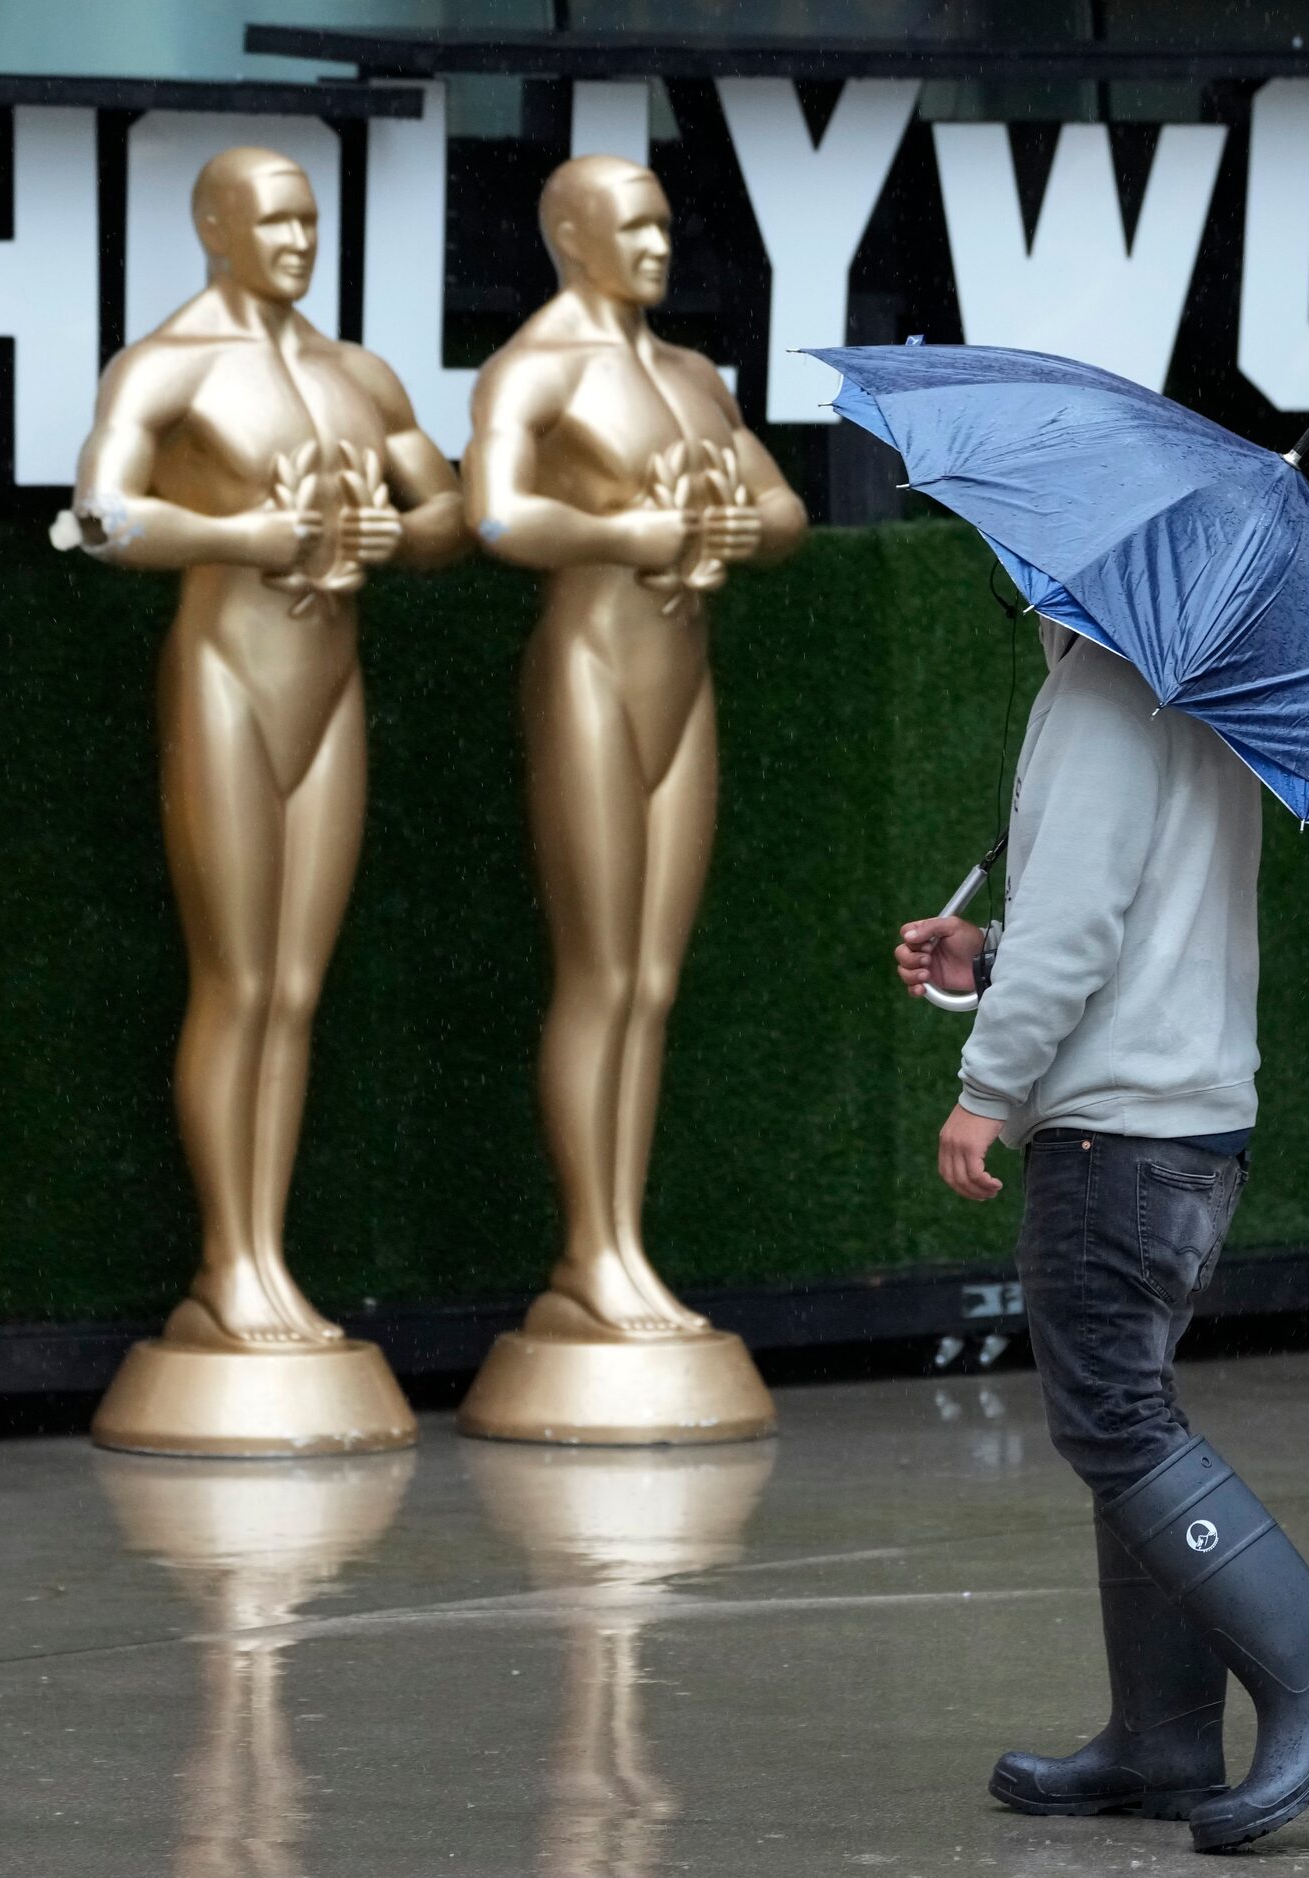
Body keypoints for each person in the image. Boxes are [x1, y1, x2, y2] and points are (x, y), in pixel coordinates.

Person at [894, 622, 1309, 1854]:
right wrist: (989, 957)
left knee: (1117, 1420)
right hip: (1187, 1124)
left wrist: (987, 1086)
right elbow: (1134, 929)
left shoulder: (1098, 698)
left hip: (1112, 1139)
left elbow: (1077, 928)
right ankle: (1162, 1738)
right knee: (1130, 1415)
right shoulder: (1192, 695)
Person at [71, 147, 464, 1349]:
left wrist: (379, 536)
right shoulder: (168, 364)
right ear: (213, 224)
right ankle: (226, 1262)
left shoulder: (357, 373)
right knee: (236, 980)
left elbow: (450, 512)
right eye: (274, 218)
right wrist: (246, 529)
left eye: (309, 219)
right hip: (225, 675)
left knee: (294, 989)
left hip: (330, 681)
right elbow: (99, 511)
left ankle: (266, 1258)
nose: (297, 238)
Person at [468, 154, 807, 1340]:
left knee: (651, 982)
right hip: (590, 671)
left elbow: (786, 512)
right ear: (569, 233)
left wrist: (729, 521)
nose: (659, 246)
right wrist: (636, 524)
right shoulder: (534, 369)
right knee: (599, 972)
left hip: (680, 679)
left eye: (666, 224)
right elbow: (496, 512)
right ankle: (587, 1251)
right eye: (633, 226)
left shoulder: (694, 376)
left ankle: (625, 1243)